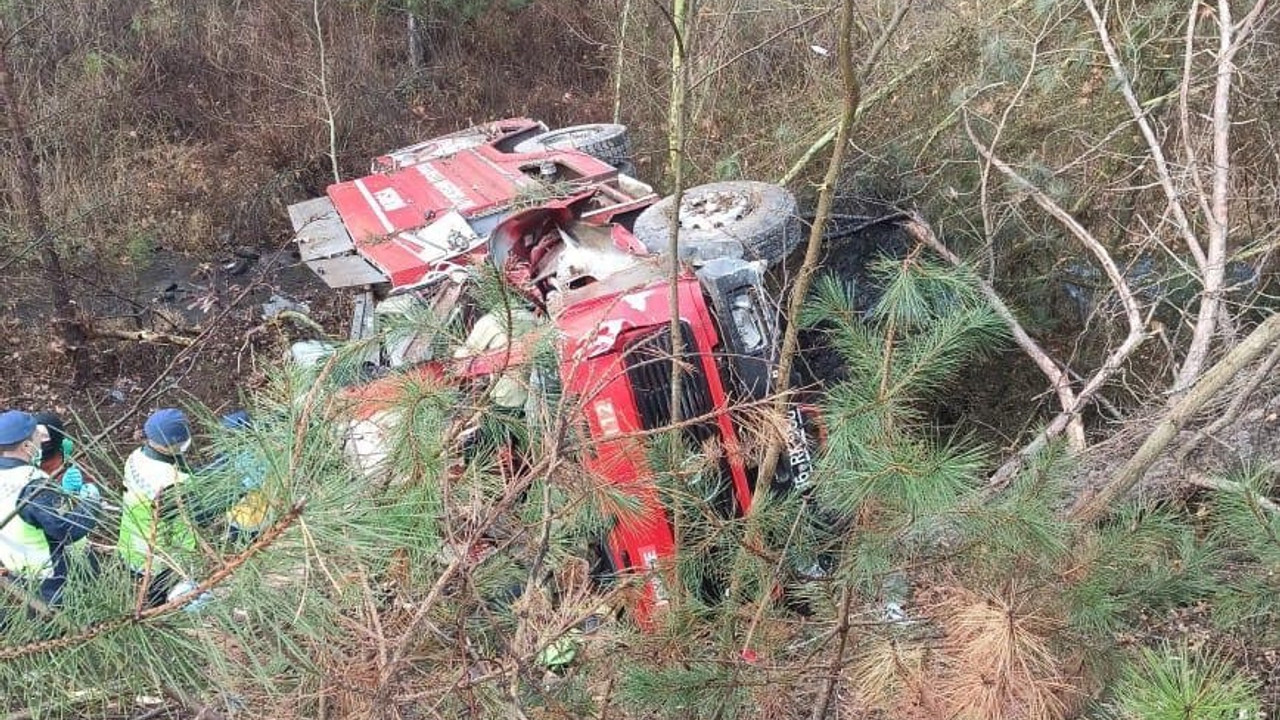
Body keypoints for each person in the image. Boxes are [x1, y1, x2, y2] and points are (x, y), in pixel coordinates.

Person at [117, 408, 231, 608]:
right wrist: (236, 493)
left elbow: (184, 472)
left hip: (130, 543)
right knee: (161, 598)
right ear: (172, 444)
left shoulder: (137, 457)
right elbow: (202, 516)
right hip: (160, 556)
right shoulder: (171, 483)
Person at [0, 409, 100, 607]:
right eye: (37, 436)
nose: (41, 441)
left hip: (13, 565)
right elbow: (70, 529)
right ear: (27, 446)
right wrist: (91, 502)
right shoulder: (33, 486)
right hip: (48, 575)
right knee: (58, 620)